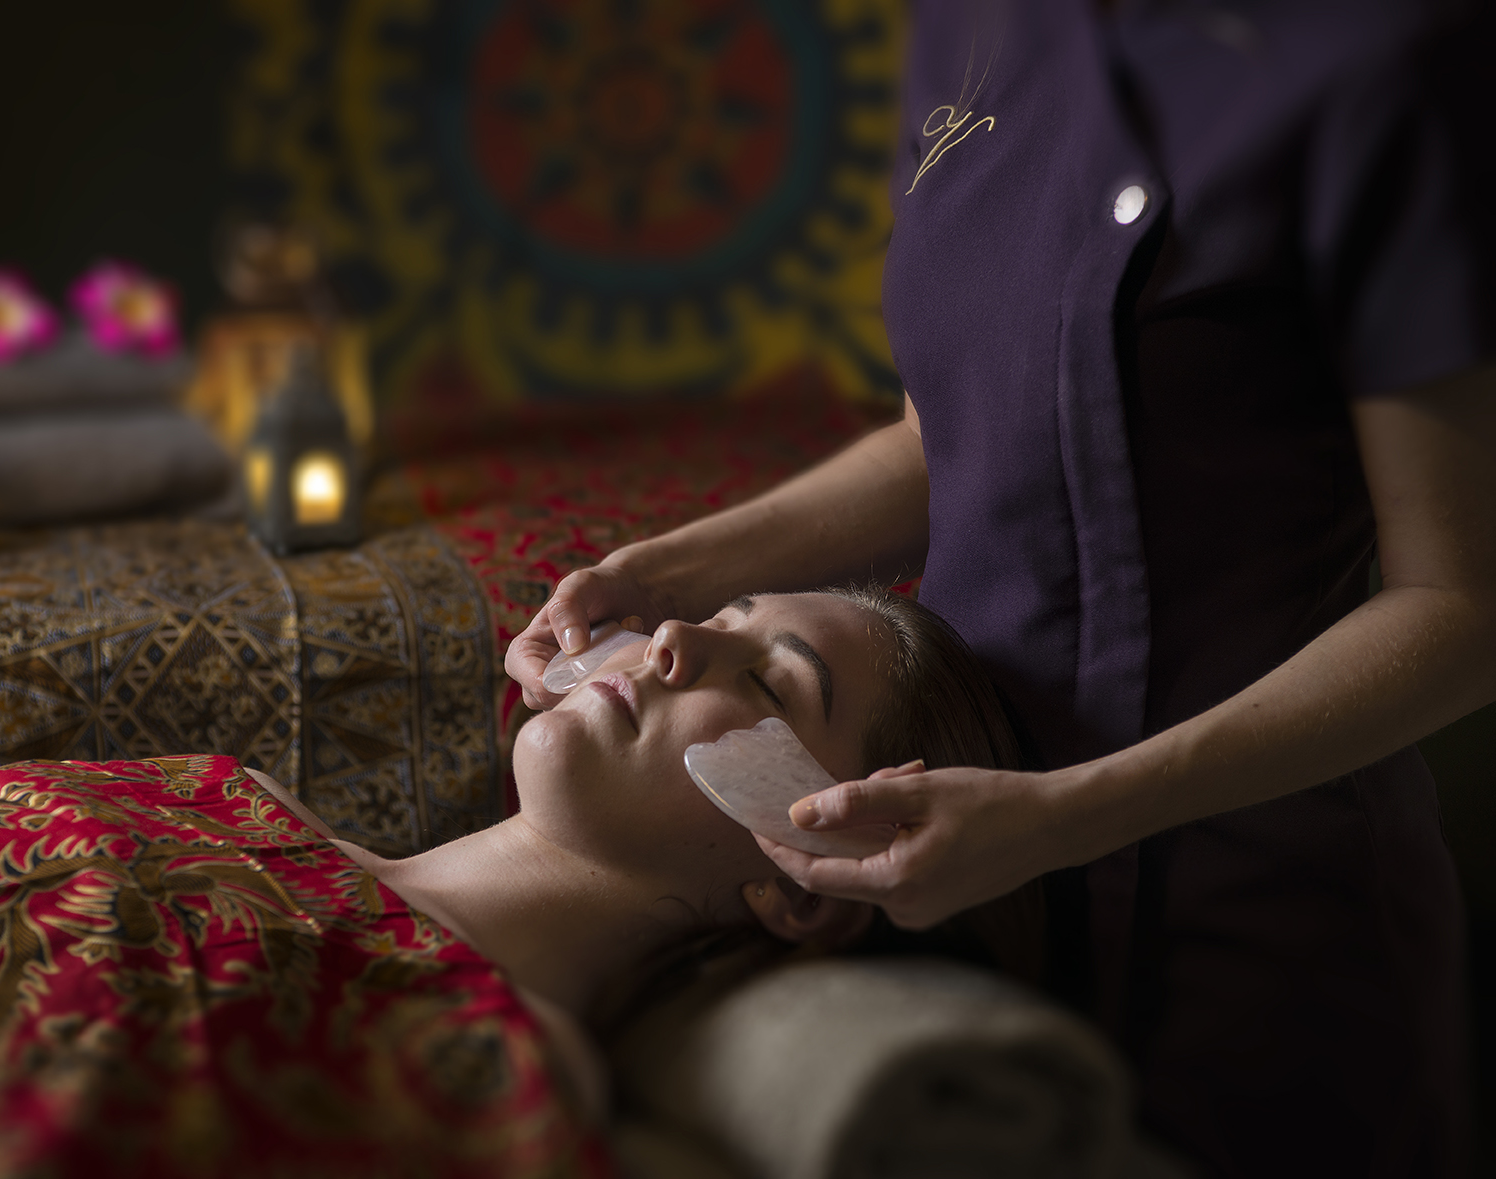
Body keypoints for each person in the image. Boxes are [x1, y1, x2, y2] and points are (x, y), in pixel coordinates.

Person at [506, 2, 1496, 1173]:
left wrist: (1068, 814)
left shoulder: (1392, 60)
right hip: (957, 896)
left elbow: (1461, 609)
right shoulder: (974, 26)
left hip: (1255, 915)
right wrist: (664, 570)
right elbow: (946, 437)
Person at [0, 586, 1018, 1177]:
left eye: (771, 681)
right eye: (719, 618)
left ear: (802, 889)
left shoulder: (498, 1076)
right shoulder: (222, 792)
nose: (678, 637)